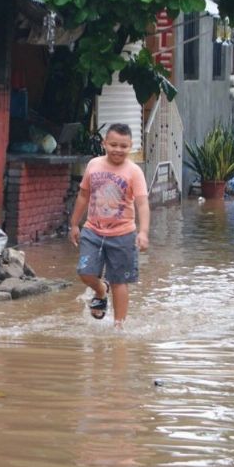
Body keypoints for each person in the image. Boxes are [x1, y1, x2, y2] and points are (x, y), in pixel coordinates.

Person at [69, 123, 149, 325]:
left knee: (119, 281)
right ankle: (100, 290)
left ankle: (118, 326)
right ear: (105, 143)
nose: (118, 150)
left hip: (123, 234)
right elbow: (83, 195)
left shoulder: (134, 172)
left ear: (130, 147)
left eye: (123, 146)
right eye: (113, 144)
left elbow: (142, 203)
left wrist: (143, 232)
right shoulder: (93, 165)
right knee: (85, 272)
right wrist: (74, 224)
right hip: (93, 231)